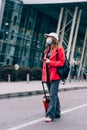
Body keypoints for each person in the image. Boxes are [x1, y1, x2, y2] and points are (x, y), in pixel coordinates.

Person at [42, 32, 65, 122]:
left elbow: (61, 62)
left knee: (52, 96)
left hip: (55, 75)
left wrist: (49, 62)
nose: (48, 39)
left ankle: (50, 115)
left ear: (54, 39)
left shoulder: (59, 49)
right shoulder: (47, 50)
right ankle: (57, 112)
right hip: (47, 75)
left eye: (50, 37)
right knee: (54, 95)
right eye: (47, 37)